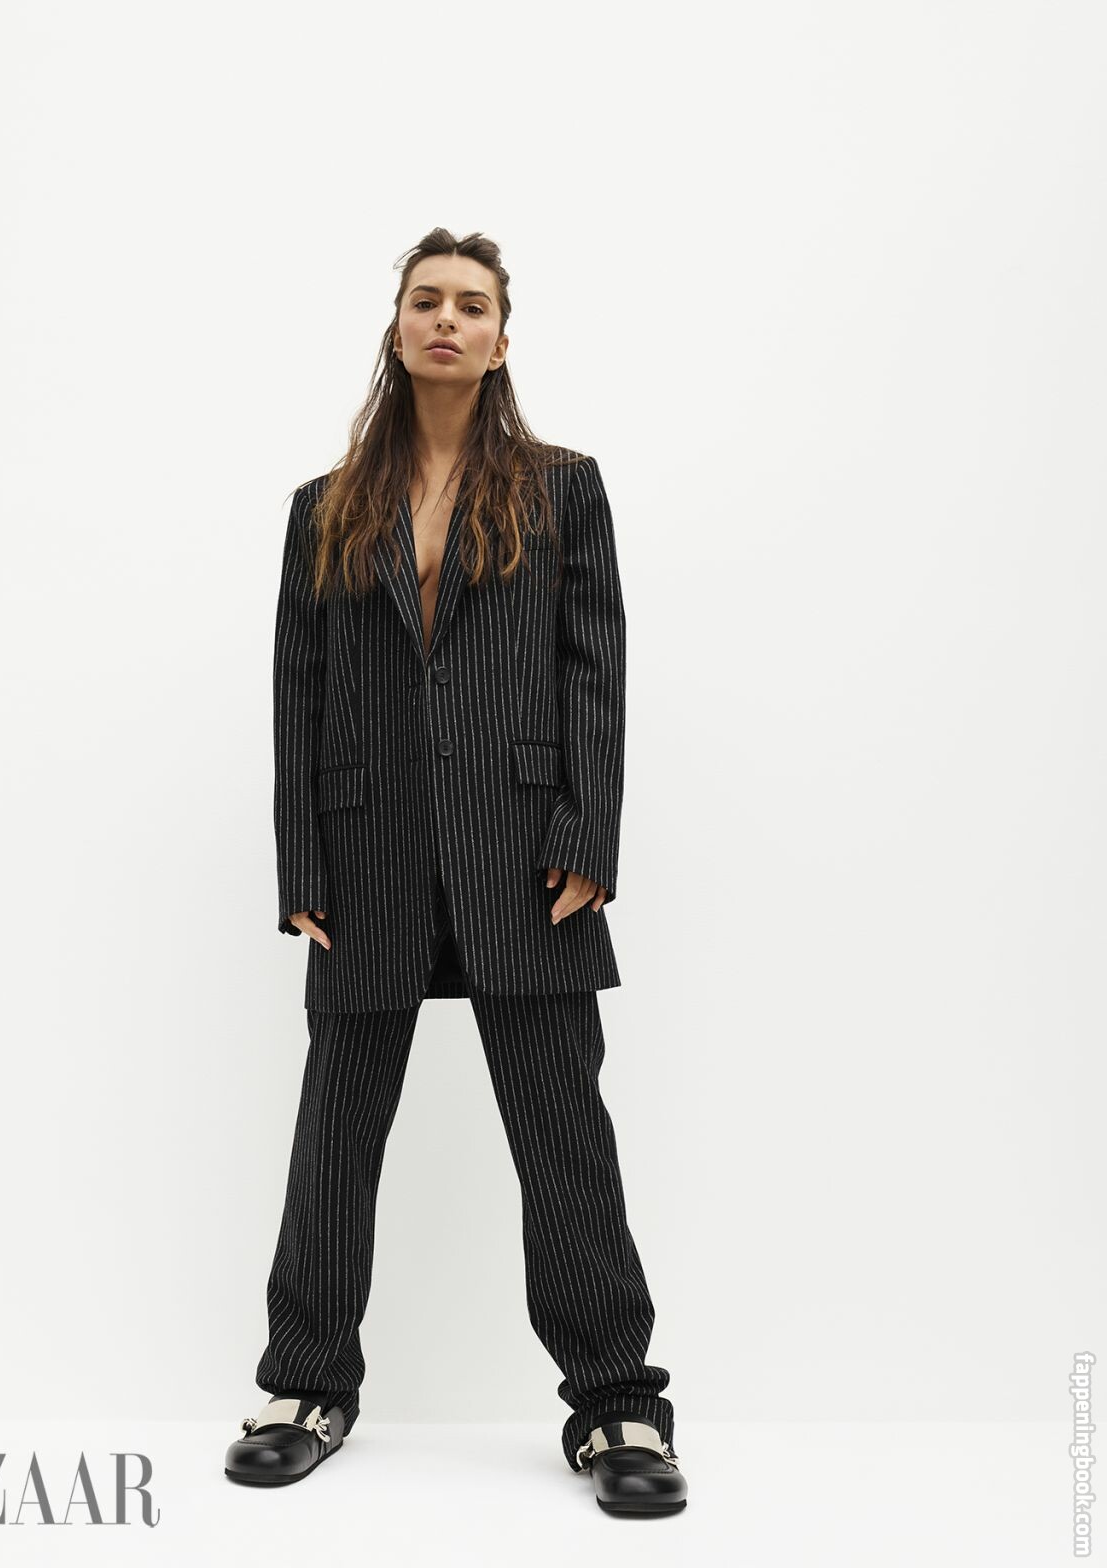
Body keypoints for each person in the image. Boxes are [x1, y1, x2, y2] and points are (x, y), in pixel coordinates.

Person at [223, 229, 687, 1517]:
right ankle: (303, 1385)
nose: (445, 319)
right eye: (425, 300)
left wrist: (589, 840)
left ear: (499, 338)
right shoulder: (325, 507)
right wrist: (301, 858)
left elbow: (596, 670)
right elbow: (298, 690)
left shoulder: (563, 489)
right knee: (335, 1136)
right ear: (397, 328)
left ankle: (618, 1405)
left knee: (564, 1137)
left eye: (470, 305)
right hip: (366, 855)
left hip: (526, 856)